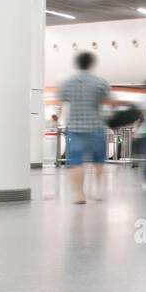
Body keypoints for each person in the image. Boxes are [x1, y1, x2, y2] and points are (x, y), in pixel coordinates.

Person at [57, 51, 112, 205]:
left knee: (76, 162)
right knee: (99, 160)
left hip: (74, 128)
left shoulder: (67, 83)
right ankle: (98, 190)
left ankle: (79, 195)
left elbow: (61, 104)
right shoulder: (100, 82)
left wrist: (58, 120)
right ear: (91, 64)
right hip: (96, 127)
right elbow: (108, 102)